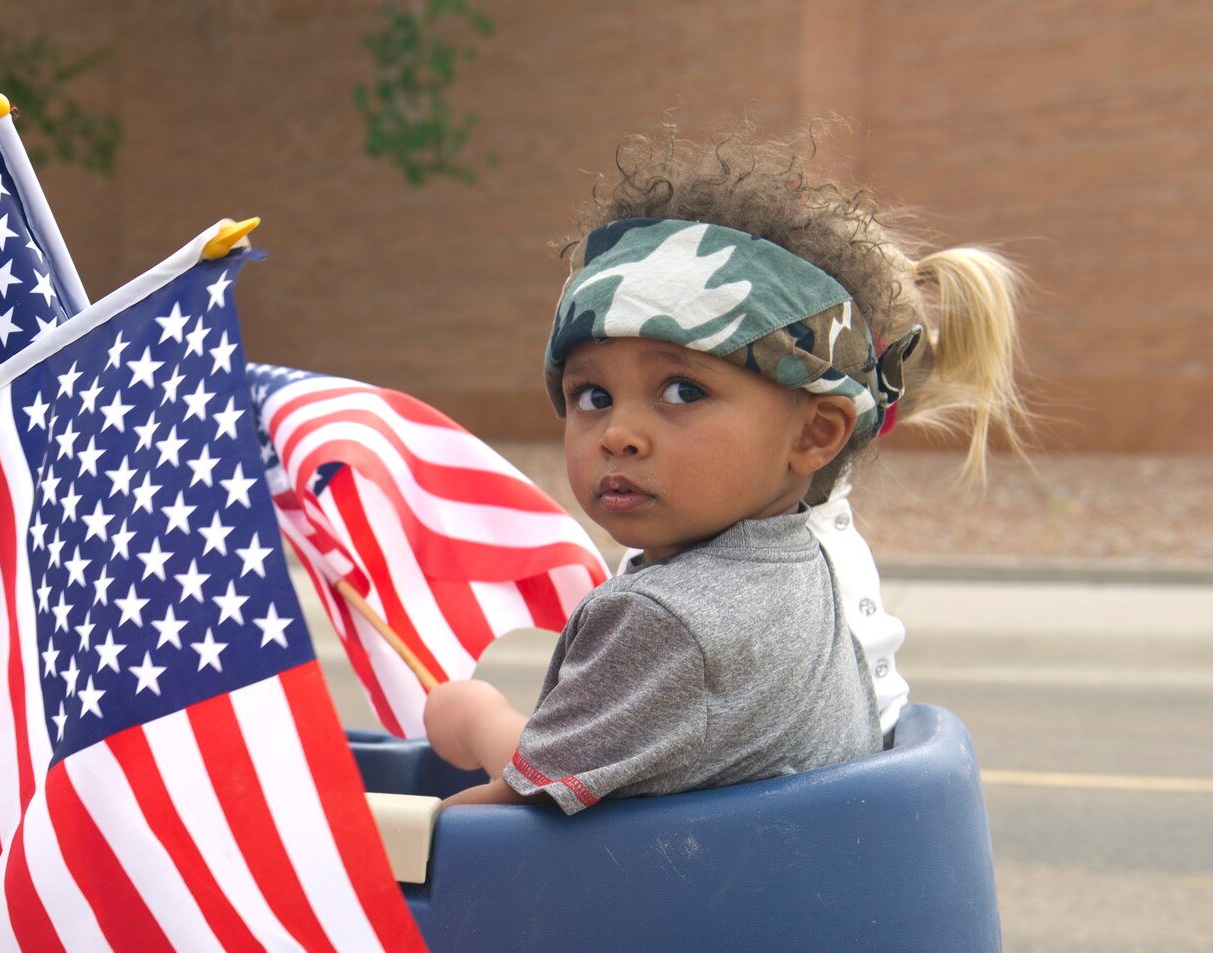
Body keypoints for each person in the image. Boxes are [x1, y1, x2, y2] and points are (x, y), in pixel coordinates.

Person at [425, 127, 1024, 810]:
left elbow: (514, 820)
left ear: (816, 434)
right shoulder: (808, 564)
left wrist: (473, 717)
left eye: (683, 390)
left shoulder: (669, 621)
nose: (618, 433)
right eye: (592, 395)